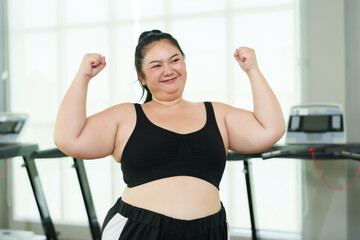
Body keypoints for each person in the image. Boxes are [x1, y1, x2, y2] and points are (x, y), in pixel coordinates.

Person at [53, 30, 285, 240]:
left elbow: (270, 129)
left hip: (209, 231)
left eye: (175, 60)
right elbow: (68, 139)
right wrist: (83, 76)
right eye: (156, 65)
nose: (169, 70)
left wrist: (252, 70)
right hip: (138, 231)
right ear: (141, 77)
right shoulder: (127, 116)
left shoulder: (217, 114)